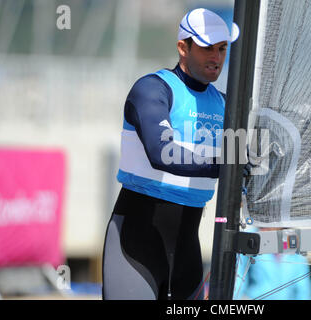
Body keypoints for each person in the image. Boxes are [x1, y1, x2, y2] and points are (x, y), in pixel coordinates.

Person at [102, 8, 239, 300]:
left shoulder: (227, 106)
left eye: (222, 48)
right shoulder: (153, 89)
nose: (216, 57)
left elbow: (249, 162)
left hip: (188, 254)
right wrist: (229, 162)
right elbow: (162, 153)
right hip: (135, 247)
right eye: (206, 48)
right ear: (182, 47)